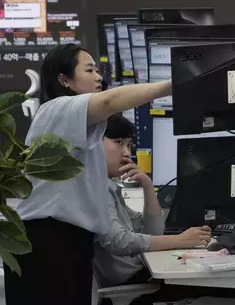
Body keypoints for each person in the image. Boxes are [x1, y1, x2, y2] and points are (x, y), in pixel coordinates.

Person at [3, 44, 173, 304]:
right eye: (90, 70)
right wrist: (172, 85)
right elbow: (109, 100)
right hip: (48, 244)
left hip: (68, 243)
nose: (99, 77)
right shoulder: (57, 108)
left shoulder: (76, 123)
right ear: (64, 79)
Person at [95, 114, 235, 304]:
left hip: (140, 275)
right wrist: (180, 240)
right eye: (119, 142)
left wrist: (148, 185)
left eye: (129, 145)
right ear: (94, 142)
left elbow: (153, 231)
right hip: (132, 285)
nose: (126, 152)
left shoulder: (109, 187)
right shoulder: (96, 188)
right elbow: (119, 241)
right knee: (233, 287)